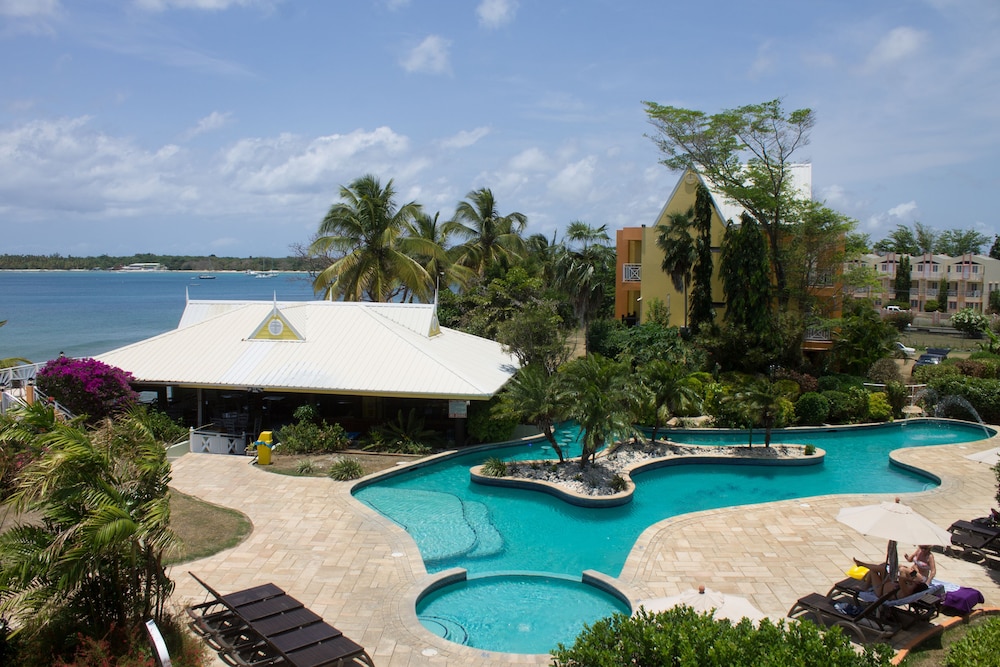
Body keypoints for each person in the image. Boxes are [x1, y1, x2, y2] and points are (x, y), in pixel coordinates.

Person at [853, 558, 928, 599]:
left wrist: (908, 577)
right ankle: (861, 565)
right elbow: (919, 578)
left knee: (873, 571)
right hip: (887, 584)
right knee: (883, 568)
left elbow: (901, 579)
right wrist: (909, 571)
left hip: (881, 592)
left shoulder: (908, 591)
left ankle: (865, 586)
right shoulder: (913, 585)